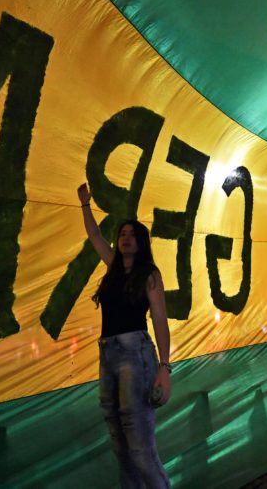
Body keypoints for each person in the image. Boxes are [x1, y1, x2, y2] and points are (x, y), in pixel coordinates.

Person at [78, 183, 172, 489]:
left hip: (136, 353)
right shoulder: (113, 269)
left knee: (141, 450)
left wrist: (164, 367)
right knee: (121, 448)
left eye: (131, 234)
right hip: (108, 355)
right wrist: (85, 205)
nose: (125, 238)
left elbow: (159, 319)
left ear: (141, 242)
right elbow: (94, 236)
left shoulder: (149, 274)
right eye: (122, 234)